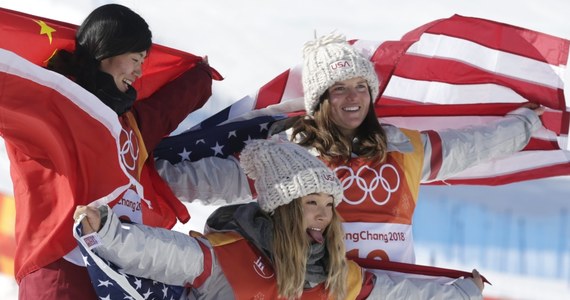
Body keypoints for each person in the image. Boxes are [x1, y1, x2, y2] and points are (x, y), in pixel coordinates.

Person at [157, 32, 543, 265]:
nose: (352, 97)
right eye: (339, 88)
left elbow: (472, 147)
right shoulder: (288, 151)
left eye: (361, 86)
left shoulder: (404, 147)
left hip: (392, 288)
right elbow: (209, 179)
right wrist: (142, 174)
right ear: (319, 100)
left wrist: (526, 125)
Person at [74, 138, 485, 299]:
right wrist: (107, 232)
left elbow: (401, 295)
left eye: (329, 204)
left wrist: (465, 292)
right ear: (284, 210)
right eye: (311, 203)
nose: (324, 215)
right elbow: (162, 254)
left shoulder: (336, 276)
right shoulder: (227, 256)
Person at [5, 4, 215, 299]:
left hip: (115, 276)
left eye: (143, 61)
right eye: (135, 58)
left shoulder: (128, 124)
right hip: (61, 269)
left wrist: (201, 77)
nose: (139, 71)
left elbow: (166, 110)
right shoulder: (55, 103)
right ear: (107, 51)